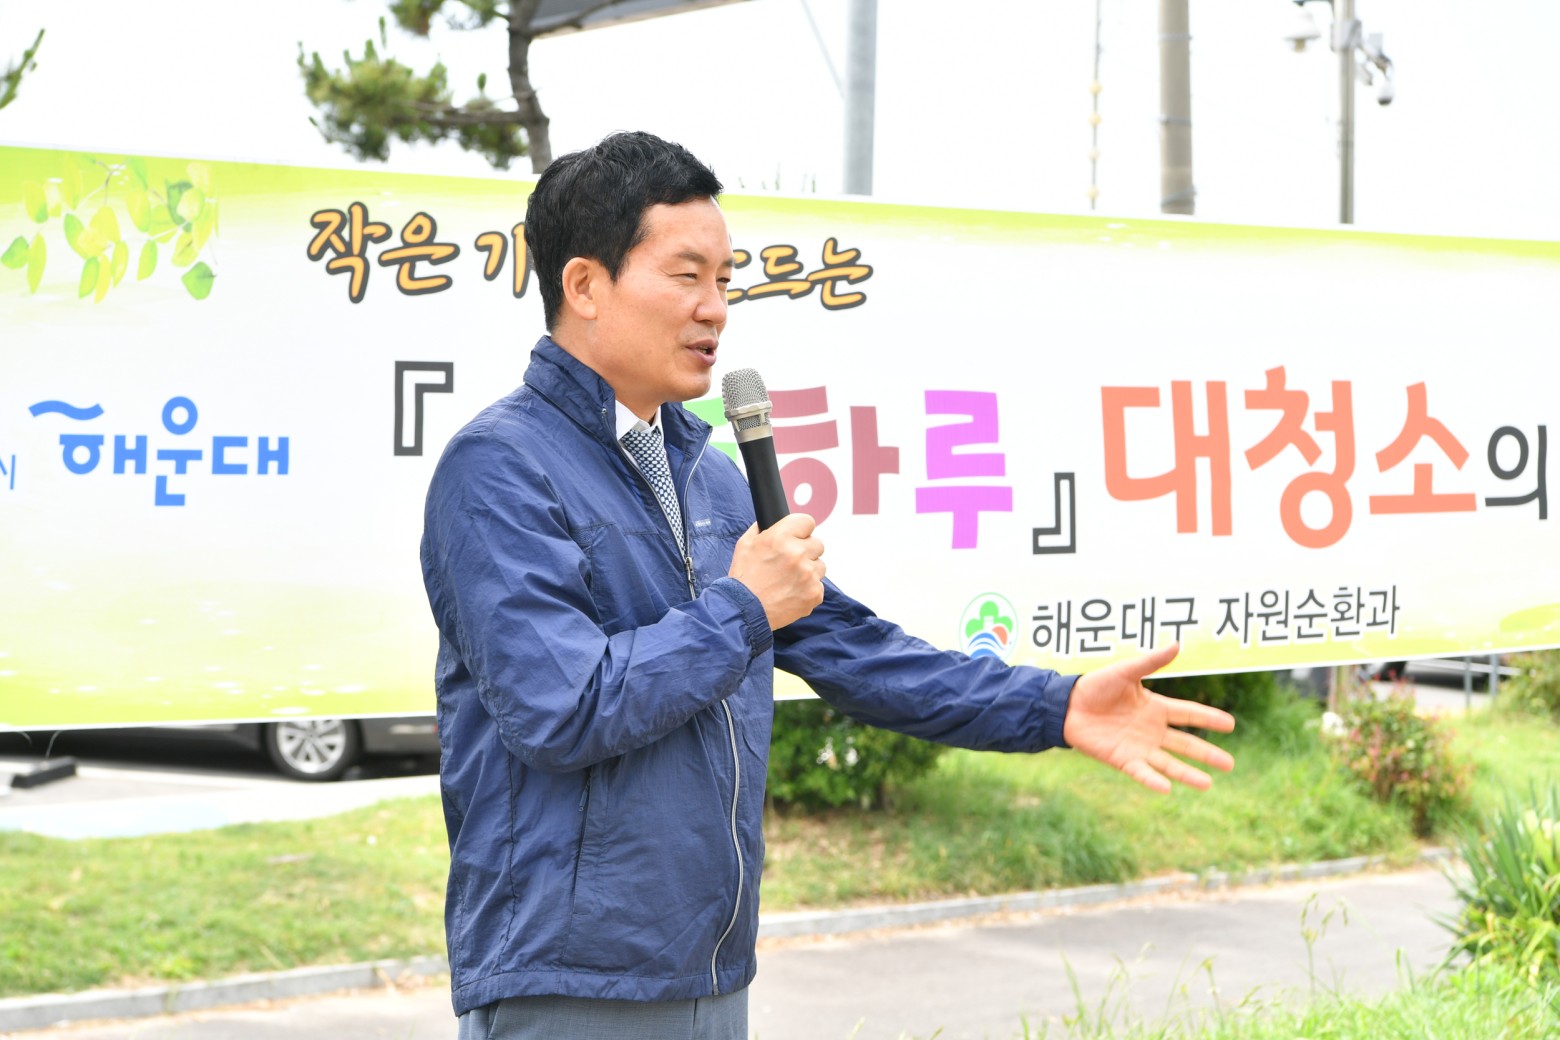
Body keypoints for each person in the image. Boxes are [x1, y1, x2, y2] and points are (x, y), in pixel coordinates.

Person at [419, 130, 1235, 1040]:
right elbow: (561, 708)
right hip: (570, 983)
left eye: (725, 280)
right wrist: (740, 609)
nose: (715, 309)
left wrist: (1055, 706)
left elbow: (858, 652)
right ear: (584, 285)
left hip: (710, 971)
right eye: (687, 276)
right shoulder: (498, 468)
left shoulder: (712, 479)